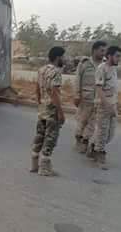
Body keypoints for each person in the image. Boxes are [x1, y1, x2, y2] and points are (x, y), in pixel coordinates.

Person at [31, 46, 66, 176]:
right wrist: (60, 112)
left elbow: (37, 89)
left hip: (42, 110)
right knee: (50, 138)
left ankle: (34, 165)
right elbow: (54, 92)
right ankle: (44, 168)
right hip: (51, 111)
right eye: (63, 56)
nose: (64, 59)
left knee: (39, 136)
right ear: (58, 57)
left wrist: (40, 103)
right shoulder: (56, 72)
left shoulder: (41, 70)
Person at [74, 40, 107, 155]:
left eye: (104, 51)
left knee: (93, 123)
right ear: (94, 50)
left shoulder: (105, 64)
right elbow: (78, 79)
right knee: (83, 120)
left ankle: (85, 141)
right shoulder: (84, 63)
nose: (103, 53)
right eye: (101, 50)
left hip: (98, 99)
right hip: (85, 98)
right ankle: (78, 136)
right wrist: (77, 95)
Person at [93, 45, 121, 169]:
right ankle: (99, 154)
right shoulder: (102, 68)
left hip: (112, 104)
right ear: (109, 56)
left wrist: (114, 104)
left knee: (111, 134)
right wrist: (107, 105)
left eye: (120, 56)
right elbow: (99, 88)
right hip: (103, 105)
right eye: (117, 56)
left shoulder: (113, 69)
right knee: (103, 132)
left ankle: (93, 146)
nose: (119, 59)